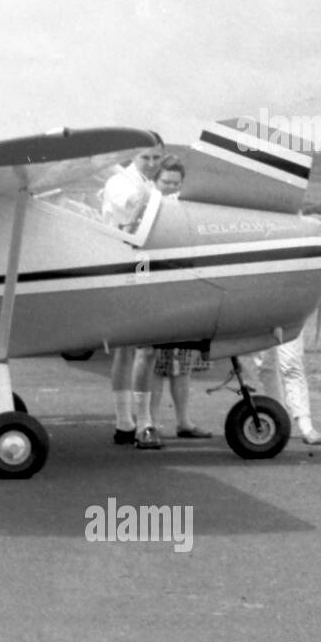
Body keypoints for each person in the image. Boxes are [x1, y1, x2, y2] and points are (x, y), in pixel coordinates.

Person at [102, 146, 164, 448]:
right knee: (130, 349)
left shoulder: (150, 182)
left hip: (144, 265)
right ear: (133, 158)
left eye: (156, 158)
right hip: (124, 264)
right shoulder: (121, 182)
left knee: (146, 349)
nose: (151, 163)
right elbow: (129, 207)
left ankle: (136, 422)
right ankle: (132, 422)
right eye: (146, 158)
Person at [145, 156, 212, 437]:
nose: (171, 188)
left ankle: (184, 422)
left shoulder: (186, 211)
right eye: (166, 182)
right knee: (155, 367)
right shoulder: (148, 210)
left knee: (182, 367)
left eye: (176, 183)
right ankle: (149, 422)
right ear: (155, 182)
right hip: (156, 296)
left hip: (183, 295)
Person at [255, 327, 321, 445]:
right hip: (257, 315)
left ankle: (306, 427)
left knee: (292, 364)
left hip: (287, 314)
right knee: (266, 366)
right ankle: (278, 421)